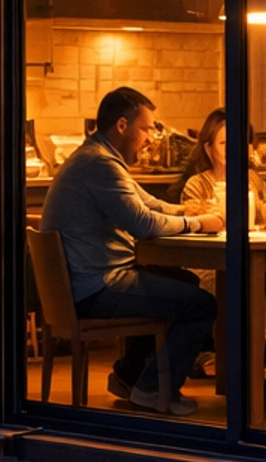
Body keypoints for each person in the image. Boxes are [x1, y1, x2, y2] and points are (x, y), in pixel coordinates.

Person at [40, 85, 223, 415]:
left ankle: (129, 376)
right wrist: (198, 225)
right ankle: (153, 390)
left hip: (87, 281)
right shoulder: (100, 165)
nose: (151, 137)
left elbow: (149, 203)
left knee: (185, 284)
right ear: (122, 126)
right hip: (98, 285)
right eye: (146, 128)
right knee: (202, 305)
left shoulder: (96, 157)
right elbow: (143, 223)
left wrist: (190, 212)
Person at [179, 109, 266, 228]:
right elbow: (194, 220)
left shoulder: (252, 178)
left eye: (237, 142)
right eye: (223, 143)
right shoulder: (197, 184)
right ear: (208, 149)